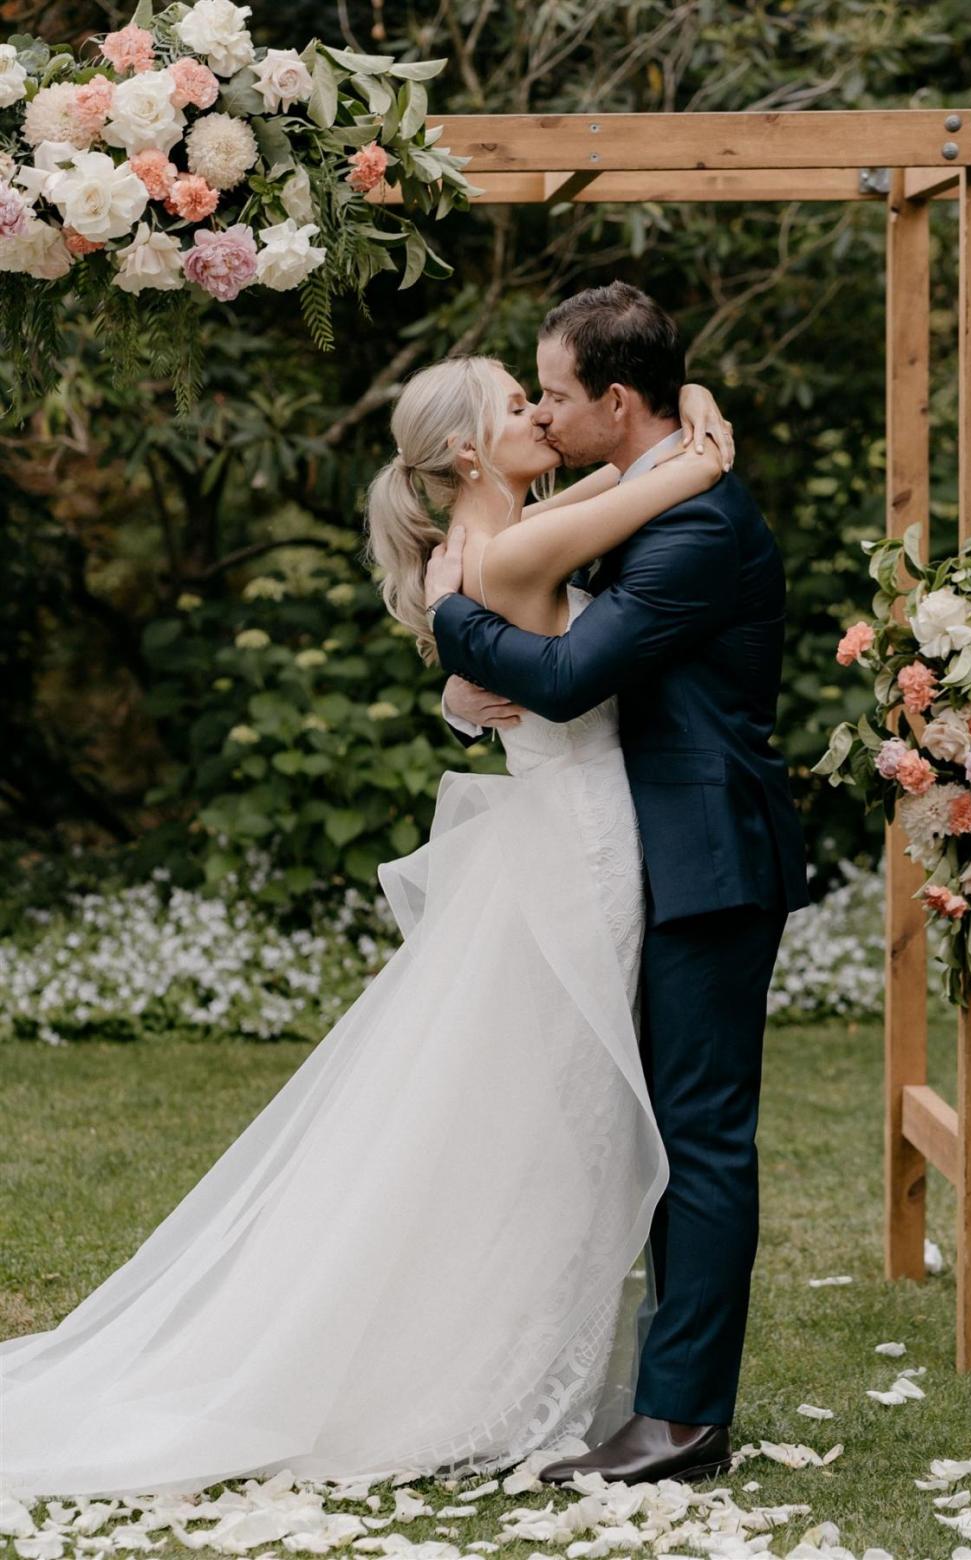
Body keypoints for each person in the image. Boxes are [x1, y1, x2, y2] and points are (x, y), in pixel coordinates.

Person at [0, 352, 732, 1501]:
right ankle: (482, 1366)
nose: (539, 411)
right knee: (564, 1116)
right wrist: (699, 447)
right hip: (580, 845)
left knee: (537, 1112)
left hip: (563, 832)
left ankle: (512, 1344)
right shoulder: (508, 548)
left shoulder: (493, 535)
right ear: (464, 454)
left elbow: (614, 489)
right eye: (514, 404)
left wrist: (679, 418)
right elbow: (656, 488)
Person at [426, 282, 811, 1487]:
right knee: (650, 1128)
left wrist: (451, 622)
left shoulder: (693, 526)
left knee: (698, 1137)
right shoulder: (646, 497)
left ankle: (684, 1417)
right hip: (649, 845)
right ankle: (649, 1388)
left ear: (614, 401)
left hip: (704, 859)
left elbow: (570, 671)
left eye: (551, 392)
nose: (540, 410)